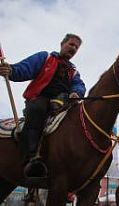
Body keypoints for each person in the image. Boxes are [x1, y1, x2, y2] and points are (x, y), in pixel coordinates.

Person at [0, 33, 86, 178]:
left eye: (76, 47)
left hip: (63, 102)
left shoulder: (74, 71)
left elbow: (79, 85)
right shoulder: (45, 58)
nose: (73, 48)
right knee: (38, 109)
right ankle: (32, 156)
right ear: (62, 43)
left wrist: (77, 93)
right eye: (71, 44)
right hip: (39, 98)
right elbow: (25, 68)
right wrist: (12, 70)